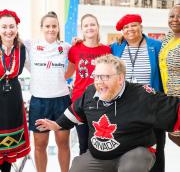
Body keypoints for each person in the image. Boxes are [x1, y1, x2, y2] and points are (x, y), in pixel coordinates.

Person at [36, 54, 180, 172]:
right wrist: (58, 124)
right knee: (78, 168)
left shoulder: (142, 96)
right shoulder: (92, 91)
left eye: (105, 76)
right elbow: (75, 111)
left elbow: (175, 110)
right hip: (100, 157)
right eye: (96, 76)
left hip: (135, 153)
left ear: (120, 78)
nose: (99, 82)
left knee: (131, 168)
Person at [110, 14, 165, 172]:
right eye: (125, 27)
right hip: (125, 106)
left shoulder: (156, 46)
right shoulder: (117, 47)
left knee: (157, 148)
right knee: (129, 149)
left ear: (141, 26)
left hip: (152, 106)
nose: (130, 29)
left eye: (133, 25)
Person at [24, 11, 71, 172]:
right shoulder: (30, 44)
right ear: (41, 28)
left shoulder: (65, 47)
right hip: (39, 102)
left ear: (58, 28)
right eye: (47, 26)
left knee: (63, 144)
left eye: (54, 26)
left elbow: (75, 62)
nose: (51, 29)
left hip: (61, 101)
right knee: (39, 145)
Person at [65, 14, 111, 154]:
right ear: (82, 29)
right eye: (86, 25)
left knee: (99, 143)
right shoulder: (75, 49)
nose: (89, 27)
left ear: (98, 27)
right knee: (83, 144)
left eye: (92, 24)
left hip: (101, 101)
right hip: (80, 101)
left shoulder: (106, 50)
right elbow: (69, 73)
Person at [0, 9, 30, 172]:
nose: (8, 30)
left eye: (11, 26)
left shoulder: (22, 48)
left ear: (17, 28)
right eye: (4, 27)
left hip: (12, 98)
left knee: (9, 143)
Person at [159, 4, 180, 144]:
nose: (175, 19)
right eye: (172, 16)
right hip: (171, 99)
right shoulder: (168, 38)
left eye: (179, 16)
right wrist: (123, 40)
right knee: (175, 136)